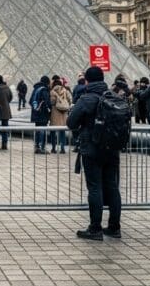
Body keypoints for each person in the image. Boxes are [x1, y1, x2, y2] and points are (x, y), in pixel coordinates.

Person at [67, 66, 122, 241]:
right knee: (112, 186)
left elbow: (71, 122)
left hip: (92, 148)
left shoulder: (86, 99)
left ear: (87, 81)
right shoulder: (114, 97)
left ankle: (95, 228)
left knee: (95, 188)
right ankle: (114, 227)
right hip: (112, 149)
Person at [29, 76, 52, 153]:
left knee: (37, 129)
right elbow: (47, 102)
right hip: (43, 114)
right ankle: (42, 148)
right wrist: (49, 109)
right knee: (43, 130)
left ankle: (36, 147)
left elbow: (30, 101)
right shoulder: (44, 90)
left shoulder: (35, 89)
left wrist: (36, 109)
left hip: (36, 113)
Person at [49, 77, 71, 153]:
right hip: (63, 114)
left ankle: (53, 148)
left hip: (54, 114)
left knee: (53, 132)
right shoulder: (65, 91)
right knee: (62, 132)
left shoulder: (52, 92)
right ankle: (62, 148)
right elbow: (70, 100)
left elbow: (52, 102)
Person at [0, 75, 13, 150]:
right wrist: (6, 103)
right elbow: (10, 97)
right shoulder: (7, 88)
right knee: (5, 128)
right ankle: (4, 144)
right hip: (6, 110)